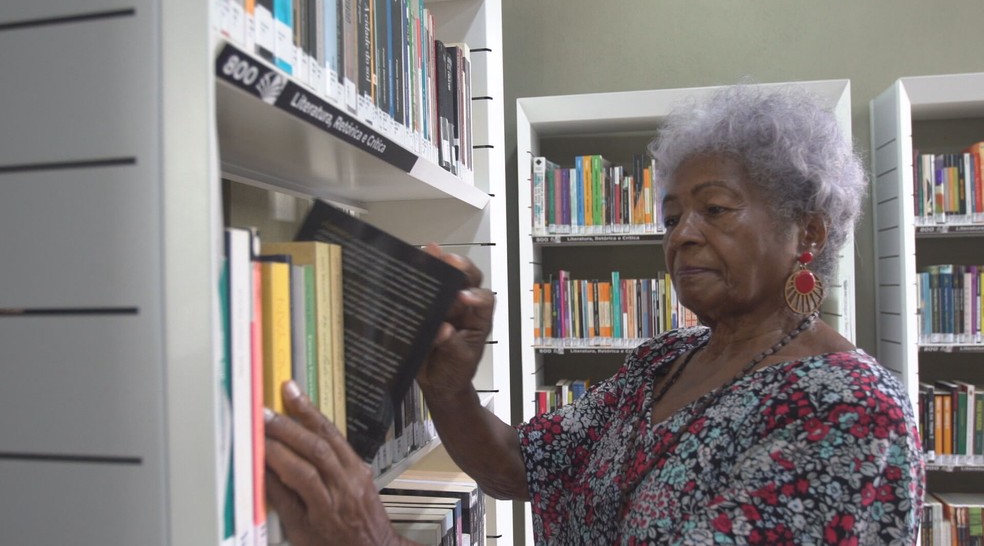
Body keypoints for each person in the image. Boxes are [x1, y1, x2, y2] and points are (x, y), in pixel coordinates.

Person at [263, 84, 926, 545]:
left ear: (805, 232)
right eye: (670, 216)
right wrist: (448, 383)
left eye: (715, 210)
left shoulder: (849, 410)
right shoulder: (664, 364)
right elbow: (519, 466)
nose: (682, 235)